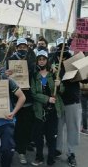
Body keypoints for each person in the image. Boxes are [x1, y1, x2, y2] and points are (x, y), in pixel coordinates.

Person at [50, 37, 81, 167]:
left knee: (72, 128)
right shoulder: (51, 62)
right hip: (58, 102)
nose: (62, 52)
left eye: (64, 48)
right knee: (58, 127)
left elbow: (83, 78)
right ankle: (57, 148)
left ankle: (71, 152)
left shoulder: (74, 63)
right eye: (60, 48)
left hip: (72, 101)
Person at [30, 50, 64, 166]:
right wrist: (47, 99)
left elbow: (62, 90)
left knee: (51, 136)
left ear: (47, 61)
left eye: (43, 59)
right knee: (38, 137)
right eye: (39, 59)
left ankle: (51, 157)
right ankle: (39, 157)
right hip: (40, 111)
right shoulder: (35, 76)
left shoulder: (54, 73)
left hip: (53, 110)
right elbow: (33, 93)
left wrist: (59, 85)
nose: (41, 61)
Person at [6, 38, 35, 164]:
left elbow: (36, 74)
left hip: (28, 99)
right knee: (13, 126)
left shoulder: (31, 60)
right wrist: (6, 73)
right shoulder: (10, 59)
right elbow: (3, 75)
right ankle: (13, 148)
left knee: (25, 126)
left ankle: (22, 151)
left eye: (24, 47)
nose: (22, 49)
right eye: (20, 47)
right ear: (16, 47)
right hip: (14, 99)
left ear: (27, 48)